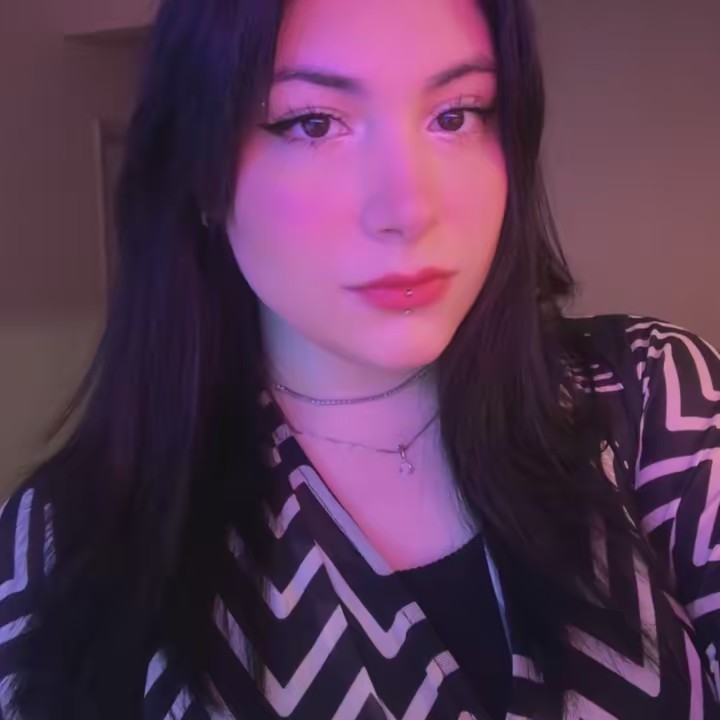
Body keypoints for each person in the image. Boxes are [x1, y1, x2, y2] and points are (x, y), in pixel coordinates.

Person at [0, 0, 718, 717]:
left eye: (457, 115)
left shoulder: (658, 398)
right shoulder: (60, 544)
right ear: (199, 168)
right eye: (312, 123)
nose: (407, 209)